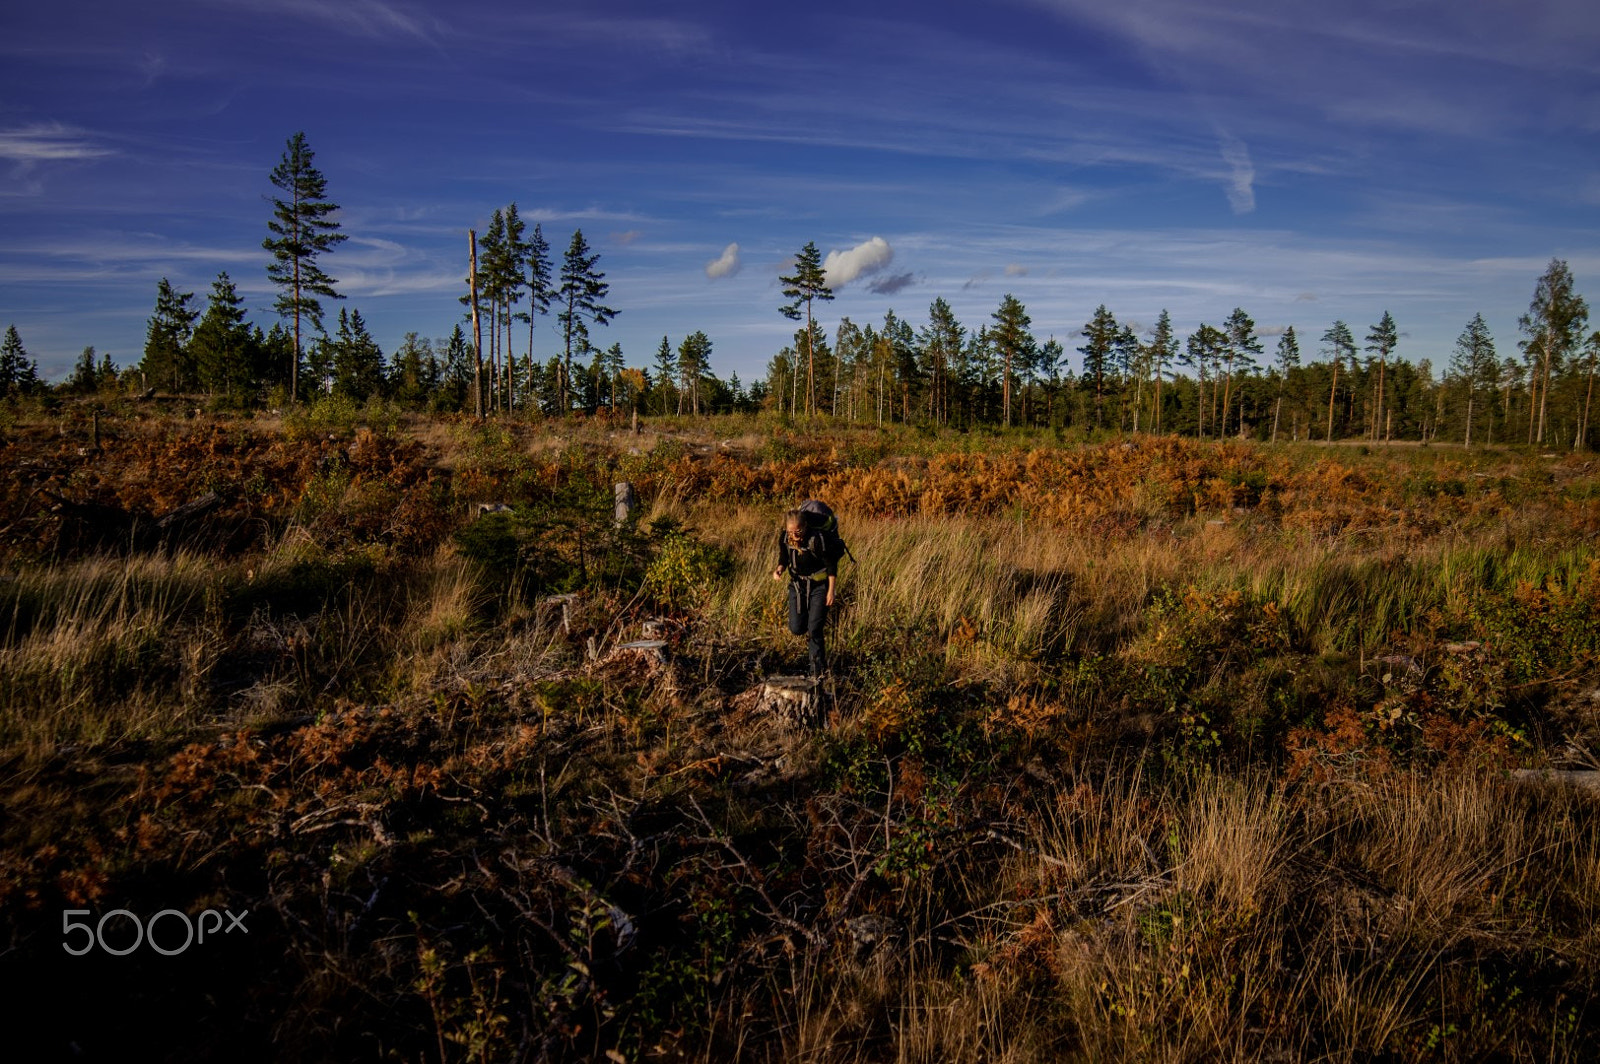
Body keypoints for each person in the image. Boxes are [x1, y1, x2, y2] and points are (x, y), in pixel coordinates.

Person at [772, 508, 837, 677]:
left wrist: (831, 591)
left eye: (798, 531)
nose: (794, 535)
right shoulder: (785, 538)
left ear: (805, 526)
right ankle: (815, 662)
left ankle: (817, 672)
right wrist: (779, 569)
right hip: (797, 586)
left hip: (819, 587)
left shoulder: (817, 539)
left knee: (814, 629)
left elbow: (831, 566)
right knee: (796, 628)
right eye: (791, 531)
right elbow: (784, 557)